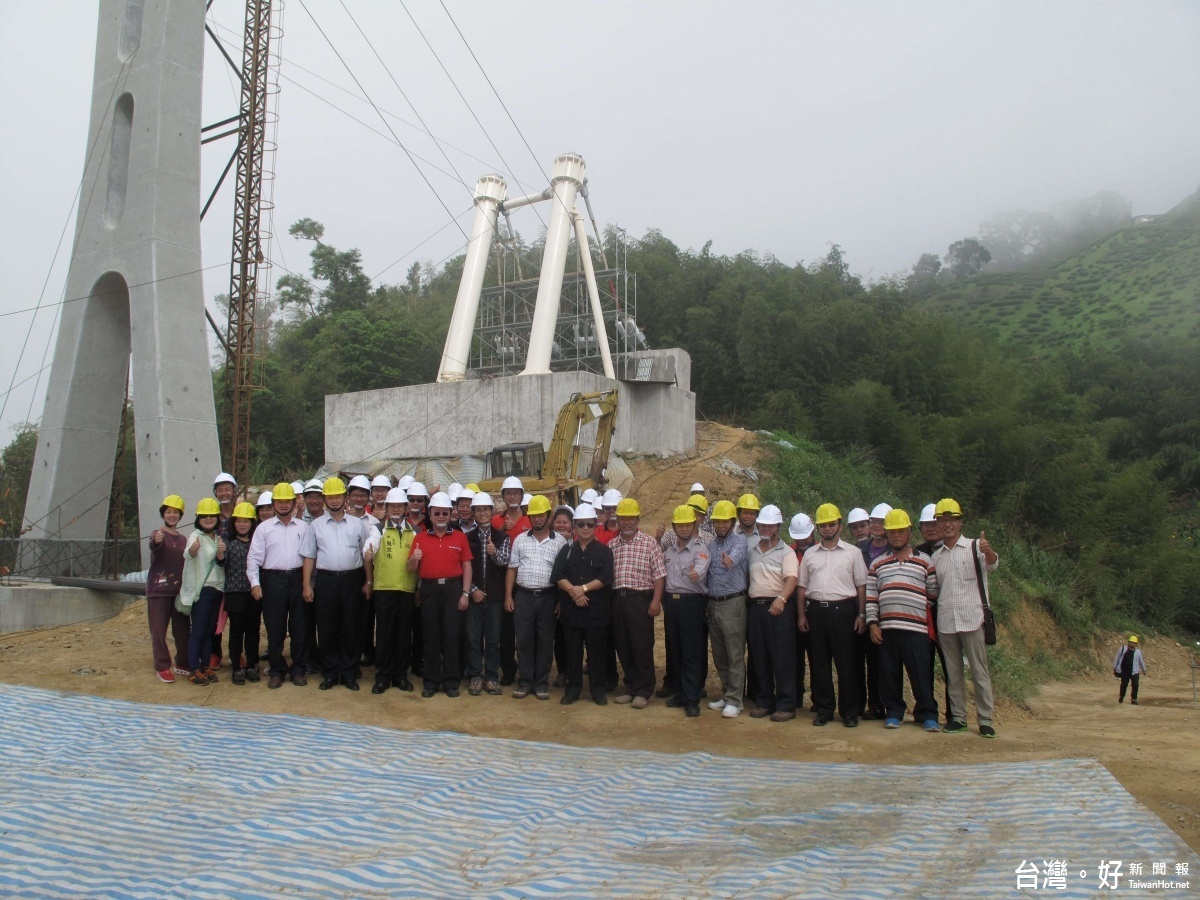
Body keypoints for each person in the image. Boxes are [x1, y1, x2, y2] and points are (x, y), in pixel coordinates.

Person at [866, 509, 941, 732]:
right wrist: (873, 623)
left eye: (901, 531)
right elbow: (872, 597)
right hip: (887, 629)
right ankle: (895, 713)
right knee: (889, 673)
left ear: (908, 531)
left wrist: (913, 607)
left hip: (916, 628)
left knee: (920, 673)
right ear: (886, 534)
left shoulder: (924, 561)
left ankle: (927, 714)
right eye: (892, 532)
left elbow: (933, 593)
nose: (896, 535)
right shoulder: (877, 564)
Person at [931, 497, 999, 738]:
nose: (948, 524)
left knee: (980, 671)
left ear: (960, 522)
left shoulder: (974, 547)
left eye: (953, 520)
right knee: (953, 672)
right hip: (947, 622)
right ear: (937, 524)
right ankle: (958, 717)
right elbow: (934, 590)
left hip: (973, 618)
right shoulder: (936, 557)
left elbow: (991, 565)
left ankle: (985, 719)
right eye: (943, 520)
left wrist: (988, 550)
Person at [798, 504, 868, 727]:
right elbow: (802, 587)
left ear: (839, 525)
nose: (828, 529)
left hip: (844, 611)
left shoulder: (853, 553)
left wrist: (861, 614)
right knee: (819, 663)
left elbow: (861, 586)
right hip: (816, 610)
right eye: (823, 525)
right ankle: (825, 709)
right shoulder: (810, 553)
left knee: (846, 662)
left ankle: (849, 712)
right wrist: (801, 614)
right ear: (817, 528)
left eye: (832, 524)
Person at [301, 477, 372, 691]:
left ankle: (349, 673)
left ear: (345, 498)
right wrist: (306, 584)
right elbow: (309, 556)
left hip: (352, 579)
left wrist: (369, 580)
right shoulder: (316, 526)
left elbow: (366, 554)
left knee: (351, 626)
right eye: (329, 497)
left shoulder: (358, 525)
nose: (334, 501)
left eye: (337, 496)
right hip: (326, 580)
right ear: (324, 499)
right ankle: (330, 673)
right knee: (327, 626)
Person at [247, 482, 310, 689]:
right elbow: (253, 559)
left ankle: (299, 669)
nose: (283, 506)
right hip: (272, 580)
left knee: (299, 627)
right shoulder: (263, 529)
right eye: (279, 502)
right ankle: (277, 670)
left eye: (287, 502)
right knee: (275, 628)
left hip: (298, 578)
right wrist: (255, 584)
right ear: (273, 504)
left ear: (294, 504)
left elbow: (310, 557)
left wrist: (308, 583)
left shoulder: (303, 527)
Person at [410, 492, 473, 698]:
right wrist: (414, 559)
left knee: (452, 636)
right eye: (436, 513)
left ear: (450, 514)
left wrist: (465, 593)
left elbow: (466, 566)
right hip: (429, 590)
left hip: (453, 589)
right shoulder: (420, 537)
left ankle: (451, 682)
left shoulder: (459, 537)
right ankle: (431, 681)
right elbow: (411, 569)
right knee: (431, 637)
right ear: (430, 513)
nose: (440, 516)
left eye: (444, 513)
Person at [504, 495, 567, 700]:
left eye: (541, 515)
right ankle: (525, 682)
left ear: (549, 516)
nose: (537, 519)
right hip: (524, 597)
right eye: (534, 516)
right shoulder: (521, 540)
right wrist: (508, 596)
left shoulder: (560, 542)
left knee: (545, 641)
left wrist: (560, 600)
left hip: (548, 597)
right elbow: (512, 570)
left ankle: (541, 683)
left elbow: (563, 574)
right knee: (523, 641)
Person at [551, 502, 614, 706]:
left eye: (589, 524)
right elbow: (558, 575)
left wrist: (583, 589)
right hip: (572, 613)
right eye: (581, 524)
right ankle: (573, 689)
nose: (585, 528)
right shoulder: (566, 551)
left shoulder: (604, 552)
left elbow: (605, 577)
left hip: (596, 612)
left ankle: (598, 690)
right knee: (573, 653)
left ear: (595, 525)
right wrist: (574, 591)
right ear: (574, 527)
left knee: (597, 653)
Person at [609, 498, 666, 709]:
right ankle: (630, 686)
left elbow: (659, 575)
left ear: (638, 519)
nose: (626, 522)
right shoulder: (612, 545)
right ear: (617, 520)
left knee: (641, 646)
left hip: (640, 600)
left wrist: (656, 601)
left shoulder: (649, 543)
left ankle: (643, 690)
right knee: (623, 645)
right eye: (623, 518)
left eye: (630, 518)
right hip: (617, 600)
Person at [745, 505, 799, 722]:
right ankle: (765, 701)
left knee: (782, 658)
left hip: (778, 608)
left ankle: (786, 704)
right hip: (755, 608)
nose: (766, 528)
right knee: (760, 656)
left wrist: (782, 599)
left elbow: (791, 579)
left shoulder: (787, 552)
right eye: (763, 525)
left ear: (778, 527)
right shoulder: (753, 550)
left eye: (770, 525)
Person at [363, 487, 418, 694]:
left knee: (404, 634)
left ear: (406, 508)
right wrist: (368, 551)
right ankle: (383, 676)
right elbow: (372, 544)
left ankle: (401, 676)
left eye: (399, 506)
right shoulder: (378, 529)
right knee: (385, 634)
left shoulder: (415, 531)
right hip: (384, 589)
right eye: (392, 506)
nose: (396, 509)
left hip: (407, 589)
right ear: (386, 508)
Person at [661, 504, 711, 717]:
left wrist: (695, 574)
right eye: (679, 525)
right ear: (674, 527)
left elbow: (700, 570)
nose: (683, 529)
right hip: (671, 604)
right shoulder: (669, 552)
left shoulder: (700, 550)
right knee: (676, 651)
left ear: (694, 525)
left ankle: (692, 698)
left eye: (687, 525)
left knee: (691, 652)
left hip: (692, 603)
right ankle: (680, 692)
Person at [463, 490, 510, 696]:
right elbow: (462, 566)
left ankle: (491, 677)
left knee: (493, 639)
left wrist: (494, 554)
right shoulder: (466, 538)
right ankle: (475, 675)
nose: (482, 513)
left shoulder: (502, 537)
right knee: (473, 639)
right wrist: (472, 590)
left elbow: (506, 563)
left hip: (494, 598)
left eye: (485, 509)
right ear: (473, 512)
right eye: (478, 510)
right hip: (475, 597)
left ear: (492, 512)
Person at [706, 500, 749, 718]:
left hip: (733, 603)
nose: (721, 525)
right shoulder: (712, 545)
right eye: (717, 522)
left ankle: (735, 699)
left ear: (733, 522)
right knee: (720, 653)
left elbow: (736, 556)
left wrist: (729, 560)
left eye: (725, 521)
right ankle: (726, 692)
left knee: (734, 653)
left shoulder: (740, 541)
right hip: (714, 603)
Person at [181, 497, 226, 685]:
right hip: (203, 590)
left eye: (211, 516)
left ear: (217, 517)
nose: (208, 519)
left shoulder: (218, 538)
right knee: (198, 631)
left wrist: (221, 553)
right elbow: (188, 554)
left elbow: (221, 563)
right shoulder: (195, 536)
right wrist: (192, 549)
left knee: (209, 632)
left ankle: (206, 665)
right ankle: (194, 668)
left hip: (217, 590)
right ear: (198, 518)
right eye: (204, 516)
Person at [146, 495, 191, 683]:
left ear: (180, 515)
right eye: (168, 512)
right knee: (158, 630)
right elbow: (154, 545)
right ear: (163, 514)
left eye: (175, 512)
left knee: (182, 630)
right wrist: (157, 539)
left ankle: (182, 662)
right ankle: (162, 666)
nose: (172, 515)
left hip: (178, 592)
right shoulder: (158, 534)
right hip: (159, 591)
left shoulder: (183, 540)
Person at [914, 502, 951, 723]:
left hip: (948, 617)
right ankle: (925, 712)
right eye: (925, 525)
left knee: (951, 669)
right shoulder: (918, 553)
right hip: (924, 619)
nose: (929, 528)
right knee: (922, 667)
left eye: (933, 523)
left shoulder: (952, 550)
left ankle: (954, 714)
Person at [855, 502, 892, 721]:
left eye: (882, 522)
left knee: (884, 663)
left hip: (887, 613)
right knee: (863, 660)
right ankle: (868, 705)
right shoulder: (860, 550)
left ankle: (886, 706)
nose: (877, 526)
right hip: (864, 611)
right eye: (874, 521)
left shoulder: (897, 549)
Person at [224, 502, 261, 685]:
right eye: (239, 521)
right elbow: (222, 566)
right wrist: (219, 556)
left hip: (254, 593)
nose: (242, 524)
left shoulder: (257, 544)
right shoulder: (229, 545)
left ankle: (253, 665)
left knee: (253, 631)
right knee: (236, 632)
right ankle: (237, 667)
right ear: (233, 523)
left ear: (252, 523)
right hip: (234, 593)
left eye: (246, 521)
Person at [210, 472, 238, 670]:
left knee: (238, 616)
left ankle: (237, 653)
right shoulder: (211, 515)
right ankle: (214, 654)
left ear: (234, 491)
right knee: (214, 615)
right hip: (216, 571)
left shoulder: (243, 512)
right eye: (220, 490)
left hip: (238, 572)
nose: (223, 493)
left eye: (227, 489)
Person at [788, 512, 816, 710]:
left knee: (818, 658)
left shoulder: (821, 550)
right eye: (798, 538)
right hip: (792, 609)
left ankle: (818, 698)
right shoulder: (790, 552)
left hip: (815, 607)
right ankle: (796, 695)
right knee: (794, 656)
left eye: (804, 537)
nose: (801, 541)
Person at [1113, 635, 1148, 704]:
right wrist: (1115, 667)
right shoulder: (1123, 649)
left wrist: (1144, 669)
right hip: (1125, 671)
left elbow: (1141, 661)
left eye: (1134, 643)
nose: (1132, 644)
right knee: (1124, 685)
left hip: (1134, 672)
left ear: (1136, 644)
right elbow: (1117, 658)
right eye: (1131, 642)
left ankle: (1134, 699)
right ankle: (1122, 696)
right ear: (1128, 642)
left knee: (1135, 685)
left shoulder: (1138, 652)